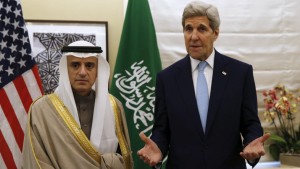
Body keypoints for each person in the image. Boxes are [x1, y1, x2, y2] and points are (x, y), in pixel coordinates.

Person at [137, 1, 270, 169]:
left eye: (201, 29)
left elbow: (251, 124)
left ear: (215, 33)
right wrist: (158, 149)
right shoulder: (167, 78)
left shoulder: (240, 74)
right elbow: (162, 129)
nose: (193, 36)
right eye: (188, 29)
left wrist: (252, 144)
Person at [22, 40, 133, 169]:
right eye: (75, 65)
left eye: (89, 65)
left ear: (98, 70)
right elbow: (37, 159)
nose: (82, 72)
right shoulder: (41, 109)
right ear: (65, 69)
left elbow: (123, 157)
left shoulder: (114, 106)